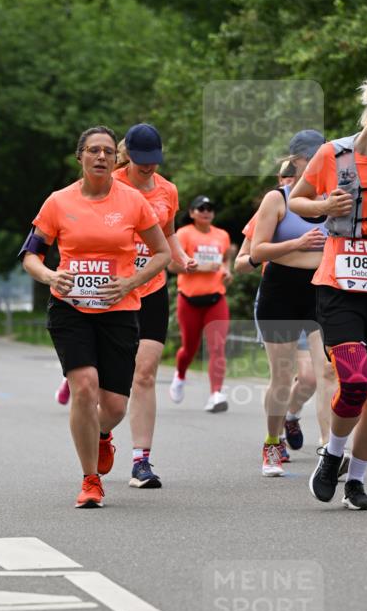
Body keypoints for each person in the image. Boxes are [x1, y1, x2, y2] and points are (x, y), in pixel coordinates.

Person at [22, 125, 170, 508]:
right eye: (93, 150)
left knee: (116, 406)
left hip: (118, 309)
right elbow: (31, 256)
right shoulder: (58, 201)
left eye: (107, 150)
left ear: (114, 157)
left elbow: (161, 253)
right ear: (80, 157)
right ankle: (90, 480)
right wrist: (51, 275)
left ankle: (102, 435)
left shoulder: (133, 201)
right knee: (84, 386)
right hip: (70, 307)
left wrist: (130, 283)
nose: (101, 156)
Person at [290, 61, 367, 510]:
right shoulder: (332, 155)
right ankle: (332, 455)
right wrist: (323, 202)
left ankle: (356, 480)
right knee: (353, 380)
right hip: (339, 283)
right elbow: (296, 199)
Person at [250, 130, 337, 476]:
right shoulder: (278, 199)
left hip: (321, 291)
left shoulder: (336, 198)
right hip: (280, 293)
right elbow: (257, 251)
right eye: (310, 158)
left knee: (328, 371)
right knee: (282, 378)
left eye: (322, 157)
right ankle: (272, 442)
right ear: (297, 160)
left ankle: (330, 452)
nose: (317, 163)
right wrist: (298, 242)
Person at [113, 123, 193, 487]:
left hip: (153, 288)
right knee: (110, 384)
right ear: (127, 154)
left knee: (144, 373)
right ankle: (100, 436)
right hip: (115, 289)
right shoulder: (110, 185)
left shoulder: (168, 190)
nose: (149, 167)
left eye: (154, 161)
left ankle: (140, 461)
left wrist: (180, 255)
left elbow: (170, 231)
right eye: (142, 160)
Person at [169, 196, 233, 412]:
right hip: (189, 298)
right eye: (201, 208)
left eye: (210, 208)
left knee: (217, 346)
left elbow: (224, 261)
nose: (206, 212)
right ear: (192, 212)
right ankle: (179, 376)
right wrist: (199, 267)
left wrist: (227, 271)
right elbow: (171, 265)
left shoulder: (222, 235)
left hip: (216, 298)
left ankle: (216, 393)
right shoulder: (184, 233)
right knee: (190, 348)